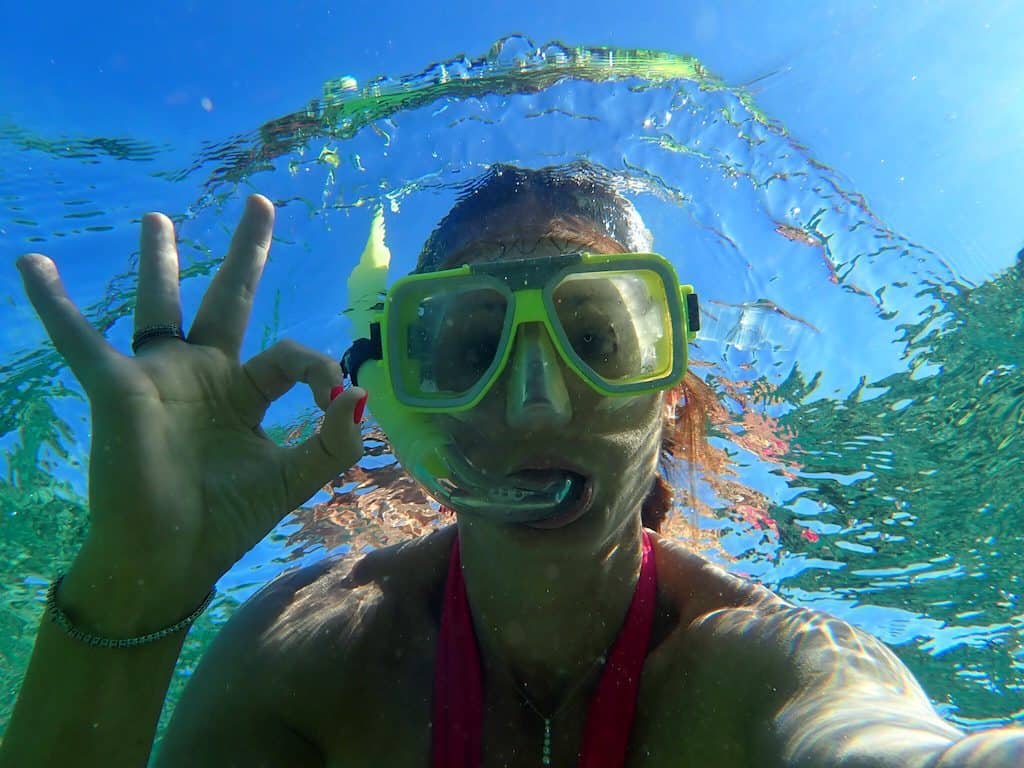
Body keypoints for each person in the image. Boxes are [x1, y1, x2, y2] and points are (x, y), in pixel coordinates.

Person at [1, 165, 1022, 768]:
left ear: (671, 387)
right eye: (469, 346)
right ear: (414, 385)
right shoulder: (315, 655)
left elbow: (880, 742)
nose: (534, 401)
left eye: (600, 338)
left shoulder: (757, 666)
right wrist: (136, 578)